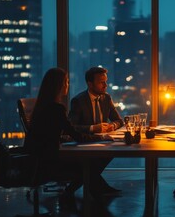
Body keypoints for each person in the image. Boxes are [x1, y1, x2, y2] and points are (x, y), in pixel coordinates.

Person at [24, 68, 119, 200]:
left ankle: (85, 190)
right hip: (48, 162)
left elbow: (55, 133)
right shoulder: (57, 109)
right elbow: (76, 135)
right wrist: (101, 136)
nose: (68, 85)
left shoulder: (44, 106)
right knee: (89, 163)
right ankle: (93, 192)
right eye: (66, 82)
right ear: (59, 86)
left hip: (37, 158)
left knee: (93, 161)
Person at [69, 66, 124, 134]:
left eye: (105, 81)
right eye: (101, 82)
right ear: (90, 84)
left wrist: (113, 125)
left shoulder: (106, 98)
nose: (105, 85)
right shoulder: (78, 101)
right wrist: (93, 128)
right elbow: (71, 127)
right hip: (85, 142)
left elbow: (119, 121)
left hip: (104, 140)